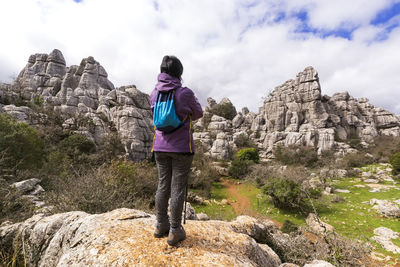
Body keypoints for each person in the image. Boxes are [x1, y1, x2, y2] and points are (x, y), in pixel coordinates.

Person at [150, 55, 203, 246]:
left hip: (160, 147)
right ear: (179, 72)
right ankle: (174, 230)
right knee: (177, 187)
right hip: (181, 147)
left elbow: (154, 116)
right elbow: (198, 112)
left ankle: (159, 225)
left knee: (163, 185)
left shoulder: (154, 94)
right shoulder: (185, 92)